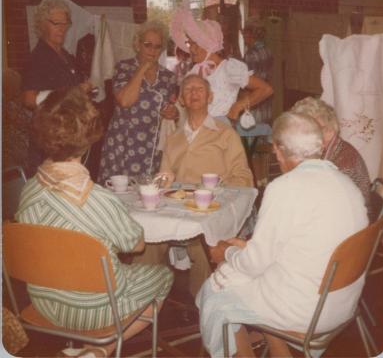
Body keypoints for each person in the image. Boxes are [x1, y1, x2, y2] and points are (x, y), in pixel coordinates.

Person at [15, 87, 173, 358]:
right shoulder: (98, 198)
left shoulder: (27, 189)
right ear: (87, 140)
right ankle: (100, 351)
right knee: (163, 275)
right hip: (94, 312)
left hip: (41, 303)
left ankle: (88, 353)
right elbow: (135, 245)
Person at [196, 112, 368, 358]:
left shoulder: (285, 188)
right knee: (253, 279)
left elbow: (254, 265)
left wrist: (227, 252)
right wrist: (246, 248)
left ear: (279, 150)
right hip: (340, 302)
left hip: (306, 310)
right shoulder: (345, 183)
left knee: (215, 294)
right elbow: (303, 245)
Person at [133, 74, 253, 298]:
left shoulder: (225, 133)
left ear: (210, 97)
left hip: (210, 209)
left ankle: (205, 303)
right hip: (176, 208)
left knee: (205, 241)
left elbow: (244, 176)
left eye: (200, 89)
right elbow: (164, 177)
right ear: (181, 100)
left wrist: (217, 190)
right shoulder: (174, 137)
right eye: (188, 89)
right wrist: (159, 182)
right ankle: (143, 297)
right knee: (146, 236)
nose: (194, 92)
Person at [98, 21, 178, 184]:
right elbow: (125, 100)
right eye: (148, 45)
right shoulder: (124, 67)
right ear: (138, 44)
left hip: (153, 146)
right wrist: (142, 68)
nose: (152, 50)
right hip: (123, 144)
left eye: (157, 46)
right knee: (119, 192)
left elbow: (175, 109)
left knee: (148, 194)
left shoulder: (168, 77)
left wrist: (173, 113)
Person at [21, 0, 92, 177]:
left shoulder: (65, 55)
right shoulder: (37, 58)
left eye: (65, 23)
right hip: (49, 137)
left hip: (68, 135)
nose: (62, 28)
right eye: (56, 23)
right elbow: (30, 100)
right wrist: (74, 92)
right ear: (42, 24)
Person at [170, 3, 273, 124]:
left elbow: (265, 89)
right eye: (190, 43)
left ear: (208, 44)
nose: (191, 49)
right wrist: (175, 110)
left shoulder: (228, 68)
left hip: (220, 130)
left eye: (196, 44)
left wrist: (237, 107)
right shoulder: (194, 71)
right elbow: (183, 104)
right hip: (195, 128)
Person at [291, 97, 371, 213]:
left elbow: (331, 208)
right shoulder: (332, 149)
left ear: (323, 128)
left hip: (350, 225)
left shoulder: (344, 161)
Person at [242, 16, 273, 124]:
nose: (243, 36)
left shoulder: (250, 54)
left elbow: (248, 82)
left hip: (255, 100)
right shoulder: (267, 50)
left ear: (250, 34)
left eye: (244, 33)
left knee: (252, 133)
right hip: (266, 99)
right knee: (263, 131)